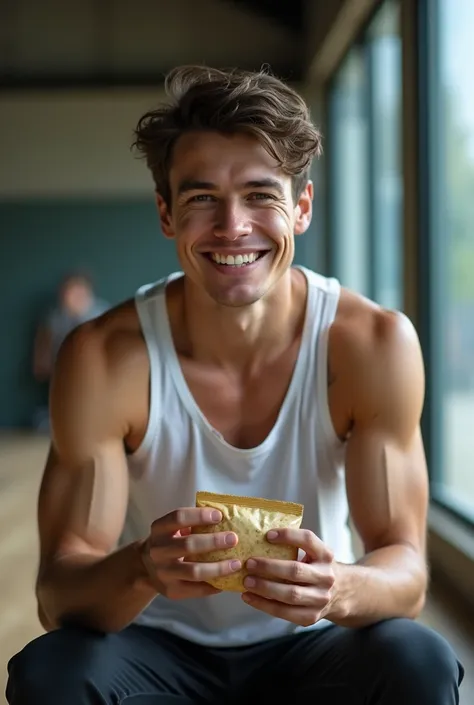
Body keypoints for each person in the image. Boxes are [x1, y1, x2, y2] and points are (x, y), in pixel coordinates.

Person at [7, 66, 463, 705]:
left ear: (300, 209)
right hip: (157, 646)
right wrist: (142, 566)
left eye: (259, 195)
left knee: (419, 660)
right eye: (201, 199)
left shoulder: (373, 345)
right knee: (49, 671)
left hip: (311, 641)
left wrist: (338, 587)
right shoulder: (104, 356)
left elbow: (407, 572)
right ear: (166, 214)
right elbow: (59, 592)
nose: (232, 226)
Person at [32, 272, 109, 431]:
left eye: (78, 291)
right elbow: (42, 361)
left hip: (96, 376)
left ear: (87, 292)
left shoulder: (102, 314)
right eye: (68, 291)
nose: (72, 296)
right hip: (63, 373)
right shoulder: (55, 318)